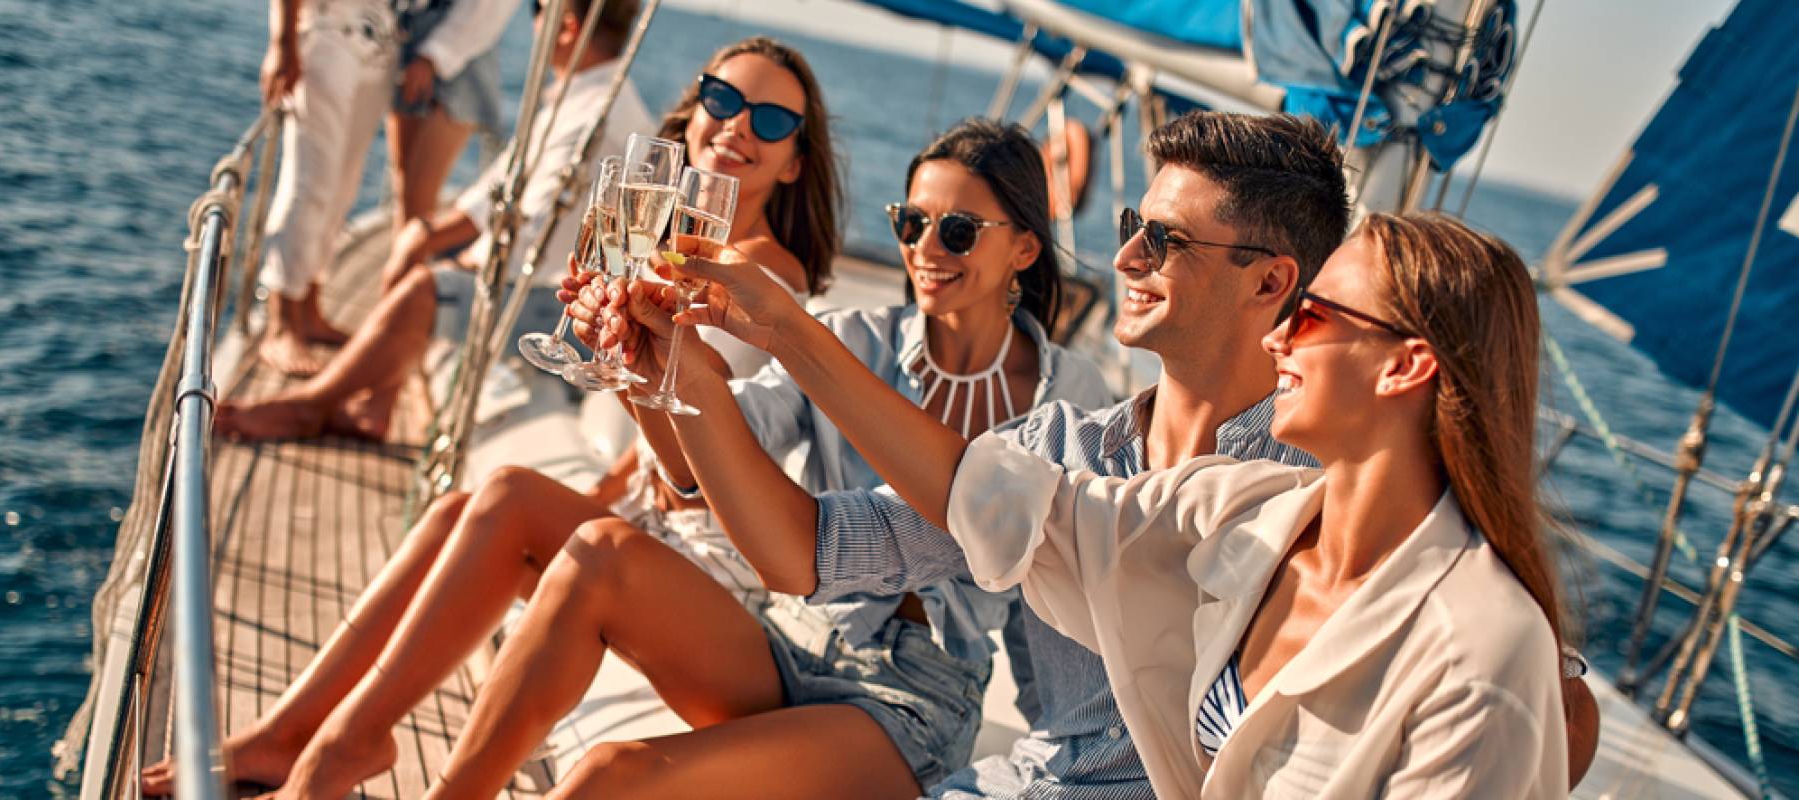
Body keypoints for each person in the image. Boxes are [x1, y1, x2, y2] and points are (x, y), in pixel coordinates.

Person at [655, 110, 1600, 797]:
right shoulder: (1188, 492)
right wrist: (689, 374)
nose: (1128, 260)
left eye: (1166, 239)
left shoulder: (1338, 490)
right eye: (1128, 231)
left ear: (1272, 282)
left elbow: (1551, 709)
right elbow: (828, 546)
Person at [141, 35, 847, 798]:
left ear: (797, 161)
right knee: (458, 512)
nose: (738, 127)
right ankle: (288, 737)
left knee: (510, 495)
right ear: (695, 111)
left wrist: (625, 369)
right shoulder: (676, 247)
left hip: (722, 571)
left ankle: (337, 755)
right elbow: (657, 452)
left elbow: (708, 463)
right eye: (723, 100)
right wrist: (616, 401)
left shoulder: (766, 278)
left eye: (772, 121)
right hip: (663, 527)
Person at [421, 118, 1110, 798]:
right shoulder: (851, 338)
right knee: (599, 548)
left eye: (957, 229)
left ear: (1024, 247)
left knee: (612, 774)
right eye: (910, 223)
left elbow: (1056, 605)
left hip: (912, 700)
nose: (926, 247)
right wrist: (647, 359)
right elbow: (700, 469)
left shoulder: (1073, 398)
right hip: (788, 638)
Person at [212, 0, 653, 441]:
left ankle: (309, 407)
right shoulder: (588, 96)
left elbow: (533, 234)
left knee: (422, 288)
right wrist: (425, 234)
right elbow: (504, 183)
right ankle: (376, 405)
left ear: (568, 27)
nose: (532, 20)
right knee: (413, 243)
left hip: (555, 298)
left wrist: (451, 256)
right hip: (547, 275)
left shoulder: (593, 118)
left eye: (537, 9)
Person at [254, 0, 399, 376]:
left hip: (379, 41)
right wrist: (282, 43)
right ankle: (281, 326)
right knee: (310, 181)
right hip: (328, 34)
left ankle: (310, 308)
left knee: (342, 186)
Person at [387, 0, 518, 237]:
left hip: (459, 61)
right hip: (410, 42)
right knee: (404, 187)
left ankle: (407, 265)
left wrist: (432, 57)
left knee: (418, 198)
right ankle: (403, 263)